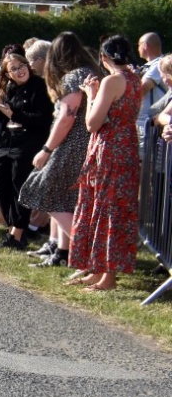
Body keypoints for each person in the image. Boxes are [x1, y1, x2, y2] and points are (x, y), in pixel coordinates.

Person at [66, 35, 142, 292]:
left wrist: (91, 94)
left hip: (110, 149)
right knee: (112, 208)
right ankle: (97, 270)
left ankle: (107, 277)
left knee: (106, 209)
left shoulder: (112, 80)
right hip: (126, 146)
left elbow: (92, 123)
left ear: (104, 57)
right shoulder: (135, 78)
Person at [18, 32, 98, 268]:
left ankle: (85, 250)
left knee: (42, 190)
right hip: (83, 142)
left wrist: (46, 149)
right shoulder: (89, 72)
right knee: (64, 199)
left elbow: (66, 117)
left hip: (72, 144)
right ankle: (63, 252)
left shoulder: (73, 77)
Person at [0, 48, 53, 250]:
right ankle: (14, 229)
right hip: (8, 140)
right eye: (14, 69)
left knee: (19, 186)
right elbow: (4, 118)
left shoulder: (40, 86)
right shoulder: (9, 88)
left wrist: (12, 114)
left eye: (22, 65)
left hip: (29, 141)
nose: (19, 70)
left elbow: (42, 119)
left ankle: (16, 236)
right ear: (8, 74)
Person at [137, 32, 166, 145]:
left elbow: (142, 88)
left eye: (138, 45)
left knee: (146, 156)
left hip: (149, 125)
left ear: (145, 45)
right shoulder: (150, 66)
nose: (137, 48)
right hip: (145, 123)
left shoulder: (159, 64)